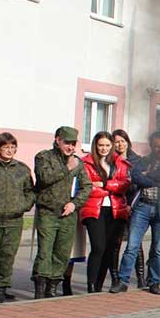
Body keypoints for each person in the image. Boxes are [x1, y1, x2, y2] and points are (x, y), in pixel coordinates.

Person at [110, 131, 160, 295]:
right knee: (132, 246)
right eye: (157, 146)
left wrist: (150, 175)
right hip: (143, 207)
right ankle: (122, 281)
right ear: (151, 146)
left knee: (158, 249)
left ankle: (154, 282)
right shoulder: (144, 161)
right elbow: (136, 177)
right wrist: (155, 180)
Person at [32, 126, 92, 299]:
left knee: (62, 252)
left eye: (73, 144)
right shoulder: (44, 157)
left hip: (68, 214)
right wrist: (66, 168)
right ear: (58, 140)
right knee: (45, 251)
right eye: (67, 143)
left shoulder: (78, 163)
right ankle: (40, 288)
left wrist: (75, 204)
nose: (70, 147)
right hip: (48, 212)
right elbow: (44, 178)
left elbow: (86, 187)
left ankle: (53, 287)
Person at [0, 132, 35, 303]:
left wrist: (23, 206)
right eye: (6, 147)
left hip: (14, 219)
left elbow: (30, 192)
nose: (9, 150)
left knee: (7, 255)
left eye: (13, 147)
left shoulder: (22, 169)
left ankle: (2, 287)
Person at [80, 131, 131, 293]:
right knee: (98, 247)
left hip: (116, 210)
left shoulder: (120, 162)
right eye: (101, 145)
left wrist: (103, 184)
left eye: (107, 145)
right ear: (95, 145)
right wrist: (111, 186)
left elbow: (124, 184)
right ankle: (91, 285)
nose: (104, 148)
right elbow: (87, 188)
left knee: (109, 249)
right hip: (94, 208)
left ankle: (99, 285)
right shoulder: (86, 162)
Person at [112, 129, 147, 289]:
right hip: (116, 205)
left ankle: (141, 278)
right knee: (115, 242)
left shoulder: (137, 161)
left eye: (122, 140)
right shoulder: (110, 160)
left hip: (133, 205)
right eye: (117, 141)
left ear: (127, 141)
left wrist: (131, 204)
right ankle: (115, 278)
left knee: (135, 242)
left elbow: (140, 184)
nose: (120, 144)